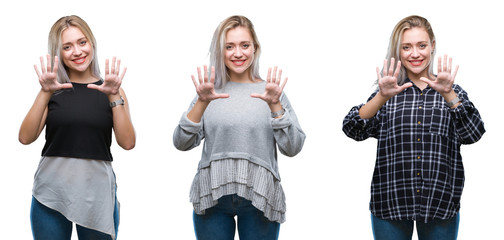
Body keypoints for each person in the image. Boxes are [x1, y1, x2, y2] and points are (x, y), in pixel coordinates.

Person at [342, 15, 485, 240]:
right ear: (398, 51)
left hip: (440, 204)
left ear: (432, 46)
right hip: (390, 203)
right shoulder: (389, 92)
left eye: (421, 45)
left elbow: (474, 133)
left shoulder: (451, 91)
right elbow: (352, 128)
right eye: (406, 47)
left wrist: (448, 94)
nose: (415, 54)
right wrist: (381, 96)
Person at [173, 15, 305, 240]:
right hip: (213, 196)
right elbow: (181, 143)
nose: (238, 53)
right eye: (229, 46)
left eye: (245, 45)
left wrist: (274, 104)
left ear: (255, 48)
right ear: (220, 51)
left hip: (259, 196)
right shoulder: (209, 91)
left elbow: (293, 147)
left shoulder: (272, 91)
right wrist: (202, 102)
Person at [19, 15, 135, 240]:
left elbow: (128, 142)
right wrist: (45, 92)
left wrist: (113, 95)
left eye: (82, 42)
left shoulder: (112, 90)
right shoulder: (52, 88)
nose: (77, 51)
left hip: (97, 193)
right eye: (67, 47)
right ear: (59, 52)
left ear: (91, 43)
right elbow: (25, 137)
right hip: (51, 192)